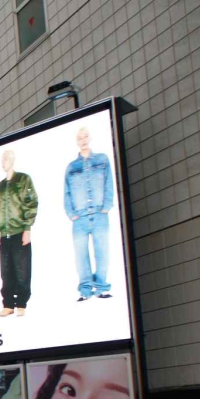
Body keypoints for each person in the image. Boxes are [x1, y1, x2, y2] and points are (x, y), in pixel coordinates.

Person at [64, 125, 114, 301]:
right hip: (80, 218)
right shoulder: (72, 166)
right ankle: (85, 291)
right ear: (76, 142)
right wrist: (71, 214)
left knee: (102, 252)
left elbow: (109, 183)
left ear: (89, 137)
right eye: (80, 138)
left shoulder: (102, 159)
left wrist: (107, 206)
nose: (83, 140)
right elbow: (67, 192)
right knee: (81, 256)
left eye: (85, 136)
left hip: (100, 214)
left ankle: (100, 288)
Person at [0, 148, 38, 317]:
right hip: (5, 234)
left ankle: (22, 303)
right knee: (6, 271)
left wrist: (27, 228)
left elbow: (31, 203)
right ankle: (8, 304)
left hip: (19, 231)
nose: (3, 162)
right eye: (2, 159)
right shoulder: (0, 186)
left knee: (22, 269)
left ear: (12, 160)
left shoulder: (23, 179)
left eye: (5, 158)